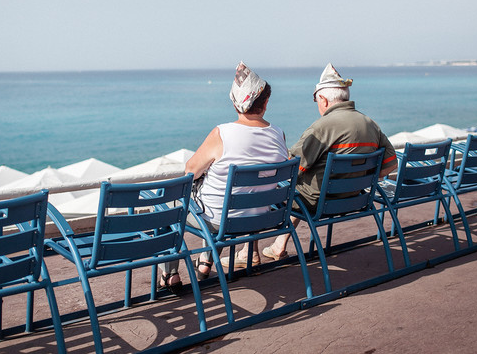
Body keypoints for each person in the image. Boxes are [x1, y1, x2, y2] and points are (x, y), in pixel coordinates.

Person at [158, 62, 289, 292]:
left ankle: (170, 275)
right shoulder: (279, 134)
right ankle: (206, 262)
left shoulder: (223, 133)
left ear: (235, 102)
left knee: (170, 204)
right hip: (262, 218)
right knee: (222, 197)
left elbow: (190, 170)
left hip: (221, 221)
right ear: (266, 102)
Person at [263, 63, 398, 261]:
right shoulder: (370, 124)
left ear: (323, 100)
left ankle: (248, 253)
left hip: (321, 203)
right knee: (307, 186)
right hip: (356, 199)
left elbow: (292, 168)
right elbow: (391, 164)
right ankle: (278, 245)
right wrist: (362, 180)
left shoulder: (321, 128)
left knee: (283, 190)